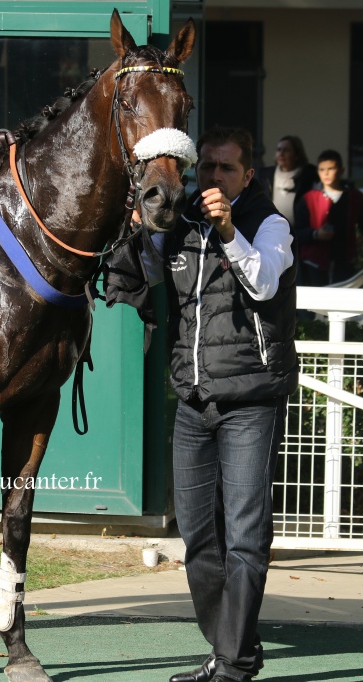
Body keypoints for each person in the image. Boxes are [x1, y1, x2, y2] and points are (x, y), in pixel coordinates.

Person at [141, 127, 298, 682]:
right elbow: (148, 275)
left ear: (247, 176)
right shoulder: (181, 221)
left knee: (246, 535)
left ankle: (231, 665)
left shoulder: (268, 223)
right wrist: (141, 229)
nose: (212, 178)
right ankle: (232, 651)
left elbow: (263, 285)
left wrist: (230, 231)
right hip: (193, 399)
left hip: (251, 398)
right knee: (199, 538)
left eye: (225, 170)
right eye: (205, 167)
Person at [294, 149, 363, 285]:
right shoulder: (308, 199)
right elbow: (297, 232)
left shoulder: (355, 198)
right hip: (314, 263)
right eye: (321, 169)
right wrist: (315, 234)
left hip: (345, 261)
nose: (325, 173)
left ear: (341, 170)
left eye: (330, 168)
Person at [257, 135, 318, 226]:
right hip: (271, 229)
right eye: (279, 149)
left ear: (297, 155)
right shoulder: (265, 175)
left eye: (286, 150)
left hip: (298, 232)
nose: (281, 153)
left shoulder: (308, 176)